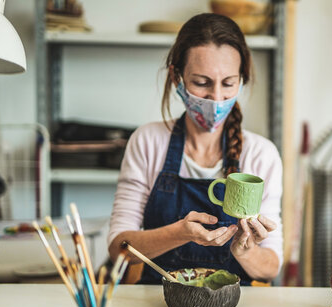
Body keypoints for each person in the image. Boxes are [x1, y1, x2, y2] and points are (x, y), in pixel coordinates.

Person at [108, 13, 283, 285]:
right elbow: (119, 248)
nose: (216, 98)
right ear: (176, 76)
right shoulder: (148, 141)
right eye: (201, 83)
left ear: (241, 80)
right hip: (159, 300)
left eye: (228, 83)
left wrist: (246, 252)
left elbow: (271, 267)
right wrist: (179, 233)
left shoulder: (261, 154)